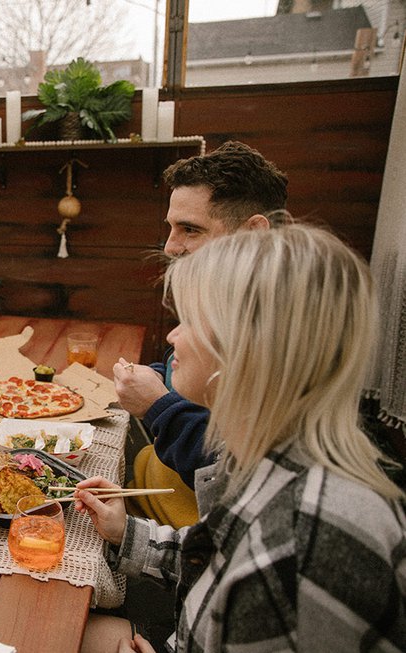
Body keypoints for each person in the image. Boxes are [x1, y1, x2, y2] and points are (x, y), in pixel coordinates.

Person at [79, 225, 406, 653]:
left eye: (191, 320)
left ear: (248, 346)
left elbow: (258, 572)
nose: (173, 336)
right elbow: (219, 556)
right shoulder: (269, 457)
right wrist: (127, 532)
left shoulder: (301, 551)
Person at [114, 141, 289, 528]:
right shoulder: (221, 297)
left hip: (191, 530)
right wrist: (158, 376)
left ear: (254, 232)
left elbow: (239, 472)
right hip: (154, 488)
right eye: (171, 228)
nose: (170, 246)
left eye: (189, 230)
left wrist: (157, 406)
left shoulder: (286, 331)